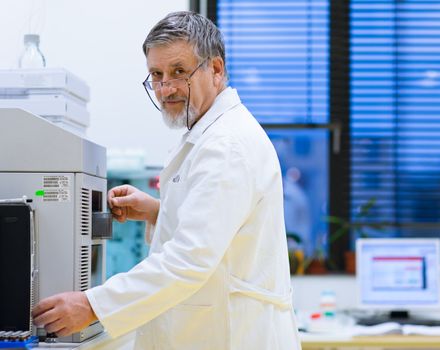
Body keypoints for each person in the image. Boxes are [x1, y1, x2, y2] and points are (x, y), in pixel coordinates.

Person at [32, 11, 301, 350]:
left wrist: (92, 305)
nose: (166, 88)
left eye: (178, 72)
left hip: (233, 335)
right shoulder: (206, 135)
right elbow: (219, 229)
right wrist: (158, 212)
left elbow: (189, 259)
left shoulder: (226, 145)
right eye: (156, 75)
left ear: (215, 70)